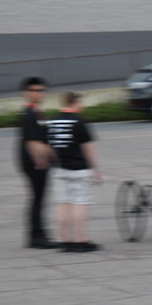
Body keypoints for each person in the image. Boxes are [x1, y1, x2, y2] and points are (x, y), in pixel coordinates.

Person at [47, 92, 102, 252]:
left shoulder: (54, 120)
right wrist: (94, 168)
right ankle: (80, 240)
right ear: (74, 102)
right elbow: (87, 147)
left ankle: (64, 239)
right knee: (80, 203)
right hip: (79, 169)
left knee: (62, 203)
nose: (82, 106)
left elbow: (50, 146)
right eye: (81, 103)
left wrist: (56, 162)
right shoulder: (79, 121)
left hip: (59, 169)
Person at [17, 77, 56, 248]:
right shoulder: (28, 114)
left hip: (39, 162)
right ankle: (36, 237)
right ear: (26, 93)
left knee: (39, 198)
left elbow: (43, 139)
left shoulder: (37, 113)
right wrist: (41, 161)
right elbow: (32, 142)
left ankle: (39, 233)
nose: (38, 93)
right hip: (34, 162)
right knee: (37, 198)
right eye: (34, 90)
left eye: (41, 90)